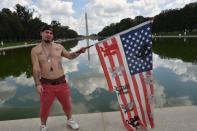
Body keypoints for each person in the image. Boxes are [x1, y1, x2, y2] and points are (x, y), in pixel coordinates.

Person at [31, 25, 86, 131]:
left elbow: (70, 56)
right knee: (44, 108)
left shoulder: (59, 47)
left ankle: (70, 120)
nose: (49, 35)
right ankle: (43, 125)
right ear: (41, 33)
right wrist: (37, 83)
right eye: (46, 32)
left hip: (61, 82)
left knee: (67, 105)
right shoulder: (35, 50)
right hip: (46, 84)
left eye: (51, 33)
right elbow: (36, 67)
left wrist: (78, 51)